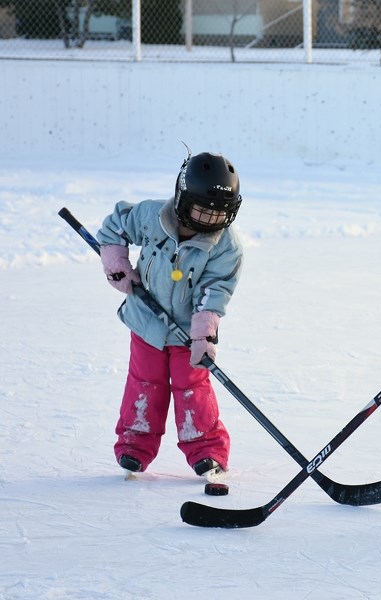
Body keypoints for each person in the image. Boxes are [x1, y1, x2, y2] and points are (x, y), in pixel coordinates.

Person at [96, 150, 244, 481]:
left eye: (217, 216)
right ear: (181, 198)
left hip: (187, 332)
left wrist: (203, 335)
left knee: (192, 385)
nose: (208, 222)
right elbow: (114, 228)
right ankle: (134, 444)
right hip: (146, 321)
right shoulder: (152, 216)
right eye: (201, 212)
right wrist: (117, 264)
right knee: (144, 382)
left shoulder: (226, 246)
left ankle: (206, 449)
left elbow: (215, 291)